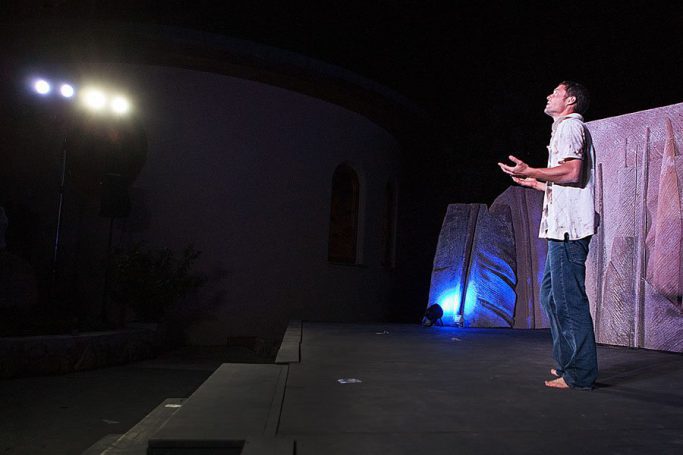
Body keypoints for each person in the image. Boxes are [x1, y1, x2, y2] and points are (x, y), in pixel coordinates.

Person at [498, 81, 598, 389]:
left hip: (568, 231)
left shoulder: (570, 127)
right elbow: (569, 184)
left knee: (568, 300)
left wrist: (532, 170)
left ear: (570, 100)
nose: (548, 96)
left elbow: (573, 172)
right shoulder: (563, 129)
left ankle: (580, 375)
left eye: (555, 92)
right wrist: (535, 183)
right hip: (560, 229)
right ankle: (568, 363)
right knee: (552, 297)